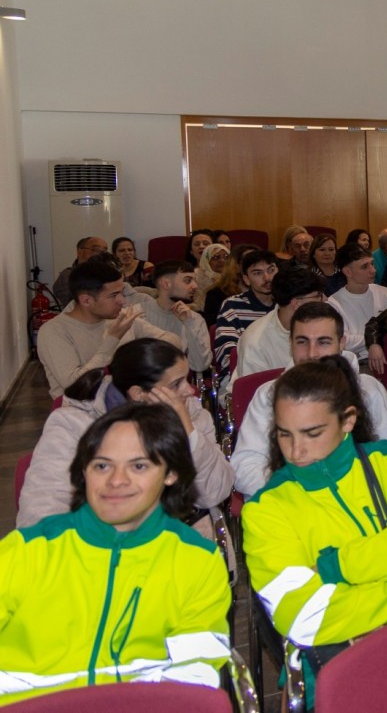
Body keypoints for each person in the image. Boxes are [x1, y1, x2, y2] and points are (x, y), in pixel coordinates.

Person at [243, 356, 387, 703]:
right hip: (338, 664)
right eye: (284, 434)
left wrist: (334, 567)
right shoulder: (265, 509)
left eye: (312, 433)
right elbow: (304, 616)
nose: (296, 450)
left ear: (348, 421)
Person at [0, 402, 232, 705]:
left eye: (139, 466)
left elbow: (192, 680)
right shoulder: (27, 550)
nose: (116, 481)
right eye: (101, 465)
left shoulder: (198, 561)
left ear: (171, 473)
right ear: (83, 471)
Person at [19, 338, 234, 527]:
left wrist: (189, 433)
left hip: (171, 537)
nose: (190, 390)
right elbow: (43, 506)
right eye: (177, 384)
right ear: (138, 394)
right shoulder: (73, 424)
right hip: (98, 540)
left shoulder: (192, 413)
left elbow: (214, 492)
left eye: (186, 379)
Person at [232, 302, 387, 497]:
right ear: (290, 343)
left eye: (323, 342)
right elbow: (245, 466)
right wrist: (306, 490)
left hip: (365, 498)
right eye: (302, 342)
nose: (312, 353)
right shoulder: (268, 395)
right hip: (295, 505)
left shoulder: (369, 389)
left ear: (341, 343)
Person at [37, 261, 184, 398]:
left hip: (127, 406)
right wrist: (112, 339)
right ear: (86, 300)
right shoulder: (53, 331)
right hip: (80, 416)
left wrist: (142, 354)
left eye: (121, 292)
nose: (122, 300)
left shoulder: (120, 318)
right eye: (113, 295)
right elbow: (76, 386)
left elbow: (173, 341)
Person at [234, 267, 327, 381]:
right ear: (296, 303)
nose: (324, 300)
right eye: (318, 296)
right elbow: (253, 394)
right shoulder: (256, 342)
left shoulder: (318, 325)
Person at [327, 244, 387, 365]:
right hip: (357, 363)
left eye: (372, 263)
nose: (373, 270)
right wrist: (374, 340)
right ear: (348, 271)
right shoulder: (333, 304)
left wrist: (365, 339)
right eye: (365, 266)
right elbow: (343, 341)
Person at [213, 249, 278, 375]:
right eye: (257, 273)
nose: (267, 278)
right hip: (243, 376)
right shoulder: (233, 306)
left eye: (271, 270)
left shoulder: (288, 304)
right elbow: (227, 356)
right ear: (246, 279)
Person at [142, 260, 214, 372]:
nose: (195, 286)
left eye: (194, 280)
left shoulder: (195, 319)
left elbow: (200, 366)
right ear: (166, 284)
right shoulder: (137, 314)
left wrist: (190, 324)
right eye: (188, 281)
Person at [51, 236, 109, 307]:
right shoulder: (67, 275)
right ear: (79, 252)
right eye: (95, 249)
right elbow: (75, 306)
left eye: (104, 251)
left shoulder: (107, 273)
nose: (100, 254)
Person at [193, 242, 231, 313]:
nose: (222, 260)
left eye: (226, 257)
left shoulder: (234, 277)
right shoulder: (196, 276)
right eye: (216, 257)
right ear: (206, 260)